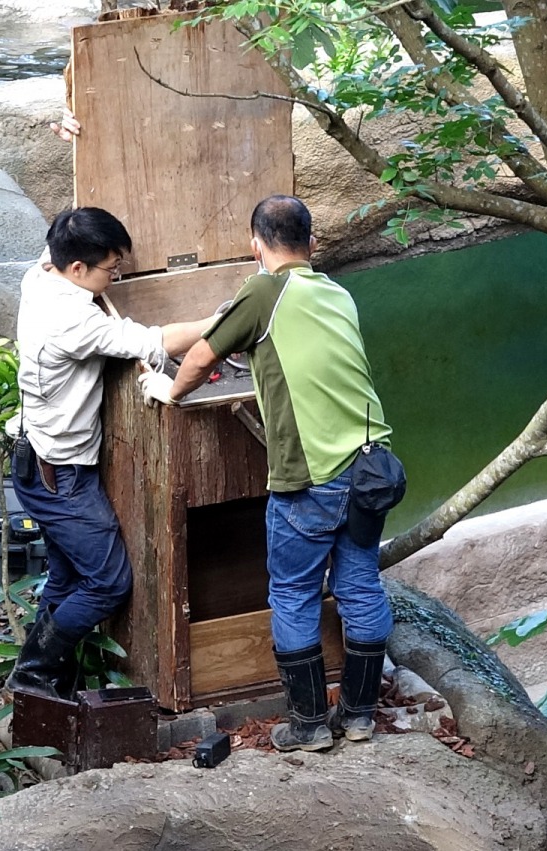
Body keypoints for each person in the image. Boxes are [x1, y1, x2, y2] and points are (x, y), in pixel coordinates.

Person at [139, 195, 395, 752]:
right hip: (372, 468)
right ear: (313, 244)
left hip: (313, 476)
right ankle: (358, 717)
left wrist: (169, 390)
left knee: (294, 592)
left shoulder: (262, 291)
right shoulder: (337, 293)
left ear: (255, 245)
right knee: (358, 584)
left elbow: (201, 357)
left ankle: (308, 726)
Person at [7, 206, 213, 700]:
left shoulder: (41, 274)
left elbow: (61, 240)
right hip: (61, 476)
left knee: (66, 577)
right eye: (111, 269)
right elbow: (153, 341)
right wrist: (219, 320)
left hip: (37, 459)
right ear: (78, 268)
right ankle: (33, 674)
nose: (115, 278)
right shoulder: (72, 320)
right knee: (108, 584)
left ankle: (45, 685)